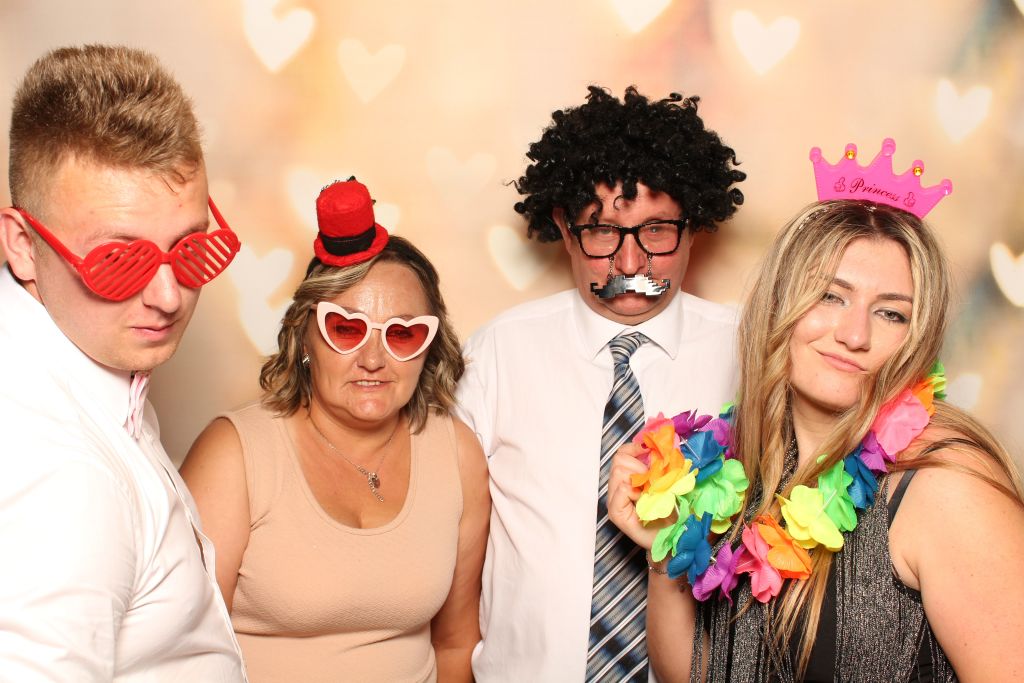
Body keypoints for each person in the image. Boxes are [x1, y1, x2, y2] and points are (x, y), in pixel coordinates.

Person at [608, 139, 1024, 681]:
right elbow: (693, 675)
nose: (855, 334)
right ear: (779, 301)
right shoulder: (734, 472)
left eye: (891, 314)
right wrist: (667, 550)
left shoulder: (946, 485)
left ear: (917, 337)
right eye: (831, 296)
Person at [456, 86, 746, 681]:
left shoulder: (750, 353)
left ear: (696, 227)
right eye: (602, 232)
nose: (630, 264)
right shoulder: (498, 354)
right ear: (565, 229)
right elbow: (449, 547)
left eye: (657, 231)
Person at [0, 46, 246, 679]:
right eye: (118, 261)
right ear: (23, 246)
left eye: (191, 250)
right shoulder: (61, 473)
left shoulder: (86, 359)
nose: (168, 297)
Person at [180, 179, 489, 683]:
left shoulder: (457, 454)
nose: (373, 359)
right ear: (305, 335)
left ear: (429, 347)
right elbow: (183, 650)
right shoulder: (233, 454)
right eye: (346, 328)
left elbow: (455, 643)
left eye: (403, 334)